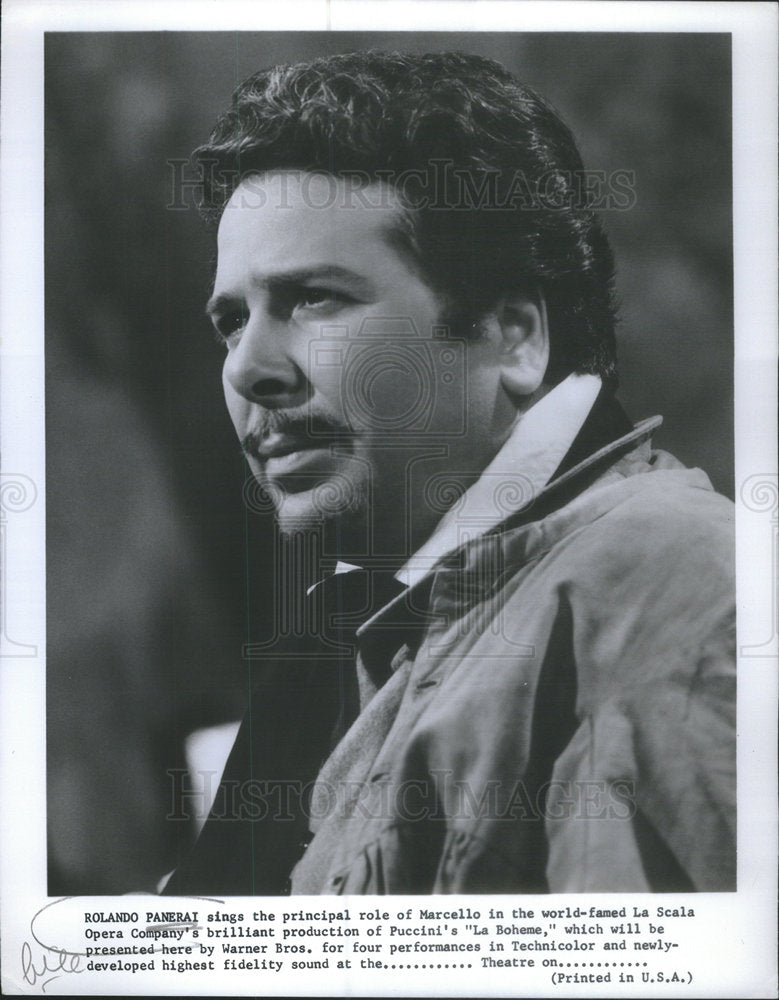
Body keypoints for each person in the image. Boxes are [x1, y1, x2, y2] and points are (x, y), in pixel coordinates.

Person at [163, 51, 735, 895]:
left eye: (315, 298)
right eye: (229, 321)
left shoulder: (658, 580)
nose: (249, 370)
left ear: (512, 335)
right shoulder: (355, 635)